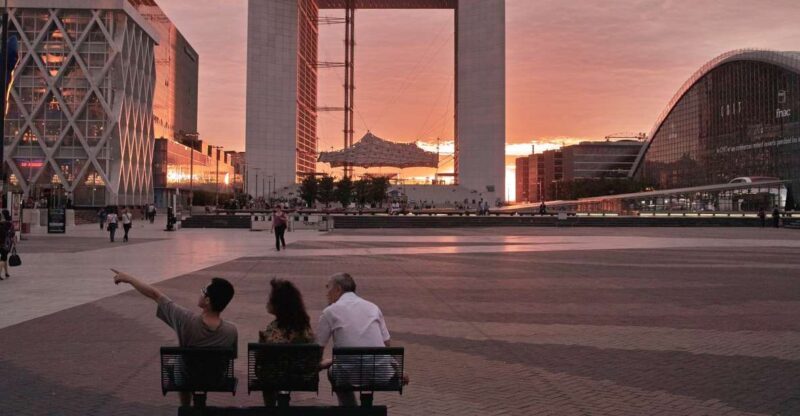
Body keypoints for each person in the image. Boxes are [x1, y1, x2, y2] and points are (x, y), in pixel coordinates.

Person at [111, 270, 238, 406]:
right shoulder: (231, 330)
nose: (200, 292)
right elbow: (231, 357)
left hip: (187, 379)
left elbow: (155, 295)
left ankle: (185, 407)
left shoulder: (185, 320)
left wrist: (128, 278)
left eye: (203, 290)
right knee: (189, 365)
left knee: (177, 364)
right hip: (215, 380)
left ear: (207, 300)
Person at [316, 273, 408, 406]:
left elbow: (318, 348)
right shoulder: (373, 307)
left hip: (349, 375)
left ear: (338, 289)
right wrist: (397, 369)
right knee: (365, 368)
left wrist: (323, 363)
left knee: (333, 372)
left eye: (328, 287)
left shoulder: (330, 311)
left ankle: (350, 409)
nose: (326, 293)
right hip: (381, 374)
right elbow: (386, 344)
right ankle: (365, 405)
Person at [258, 278, 315, 406]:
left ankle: (270, 409)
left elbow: (260, 358)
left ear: (278, 305)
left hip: (272, 378)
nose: (267, 302)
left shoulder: (272, 330)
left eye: (270, 299)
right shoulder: (304, 328)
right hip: (301, 377)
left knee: (269, 376)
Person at [0, 210, 15, 280]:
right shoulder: (10, 223)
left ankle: (6, 272)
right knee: (3, 258)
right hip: (6, 243)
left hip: (2, 242)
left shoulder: (3, 223)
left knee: (4, 257)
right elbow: (12, 234)